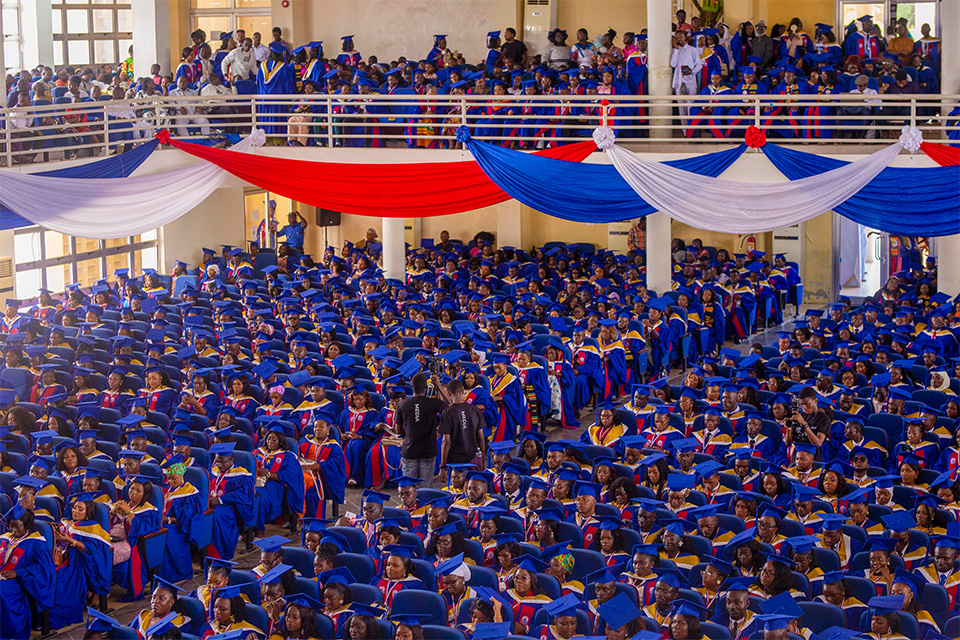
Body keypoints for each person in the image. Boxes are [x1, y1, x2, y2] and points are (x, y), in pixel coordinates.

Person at [396, 372, 448, 481]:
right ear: (425, 387)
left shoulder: (402, 405)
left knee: (408, 487)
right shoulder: (433, 403)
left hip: (409, 451)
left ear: (412, 387)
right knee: (425, 489)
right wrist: (438, 385)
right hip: (427, 451)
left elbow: (398, 430)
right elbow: (450, 406)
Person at [439, 379, 486, 475]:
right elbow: (481, 438)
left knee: (456, 489)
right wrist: (483, 458)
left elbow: (446, 441)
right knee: (475, 487)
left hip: (456, 460)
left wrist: (442, 467)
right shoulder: (475, 410)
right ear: (463, 392)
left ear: (449, 393)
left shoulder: (447, 413)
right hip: (474, 457)